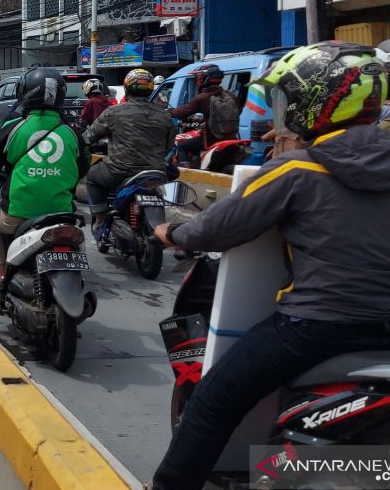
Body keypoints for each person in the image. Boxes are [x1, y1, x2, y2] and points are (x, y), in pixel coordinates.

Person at [149, 42, 390, 490]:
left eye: (292, 99)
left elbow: (216, 229)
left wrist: (172, 234)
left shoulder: (298, 169)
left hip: (316, 324)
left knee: (213, 400)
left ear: (318, 101)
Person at [0, 67, 88, 292]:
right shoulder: (71, 132)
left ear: (24, 93)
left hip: (18, 214)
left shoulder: (12, 127)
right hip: (62, 213)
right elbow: (84, 167)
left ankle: (1, 280)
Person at [82, 68, 175, 237]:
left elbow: (88, 137)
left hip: (118, 170)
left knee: (92, 177)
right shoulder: (164, 115)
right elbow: (168, 146)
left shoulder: (114, 112)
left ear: (126, 89)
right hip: (156, 172)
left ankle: (100, 219)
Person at [169, 63, 240, 162]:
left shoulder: (202, 97)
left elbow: (180, 112)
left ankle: (185, 174)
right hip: (232, 138)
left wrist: (169, 111)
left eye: (198, 78)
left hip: (211, 140)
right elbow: (238, 111)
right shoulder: (230, 95)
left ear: (204, 79)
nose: (197, 81)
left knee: (182, 146)